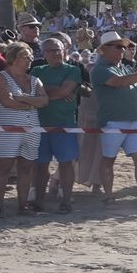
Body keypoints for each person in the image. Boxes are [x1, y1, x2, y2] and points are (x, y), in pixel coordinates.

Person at [92, 31, 137, 207]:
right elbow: (119, 82)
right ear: (104, 49)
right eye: (118, 46)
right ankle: (108, 195)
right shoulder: (99, 69)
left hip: (135, 120)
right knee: (108, 160)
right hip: (112, 121)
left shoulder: (126, 68)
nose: (123, 49)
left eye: (124, 47)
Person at [0, 42, 49, 216]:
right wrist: (31, 103)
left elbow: (44, 101)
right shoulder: (1, 77)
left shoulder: (34, 80)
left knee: (26, 167)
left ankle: (22, 205)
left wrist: (22, 99)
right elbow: (6, 102)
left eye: (30, 55)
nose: (30, 59)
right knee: (4, 168)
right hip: (8, 127)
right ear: (13, 58)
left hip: (32, 128)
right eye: (25, 56)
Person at [29, 37, 82, 214]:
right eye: (51, 50)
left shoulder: (73, 69)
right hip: (40, 123)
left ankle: (66, 201)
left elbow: (64, 91)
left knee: (66, 163)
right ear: (43, 54)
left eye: (59, 49)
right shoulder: (37, 70)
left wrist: (45, 93)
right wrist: (53, 92)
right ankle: (39, 201)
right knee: (40, 165)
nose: (56, 53)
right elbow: (34, 93)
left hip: (64, 123)